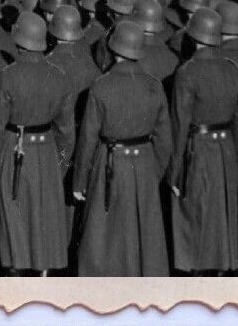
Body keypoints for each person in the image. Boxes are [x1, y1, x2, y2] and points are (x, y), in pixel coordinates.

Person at [72, 20, 173, 275]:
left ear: (113, 46)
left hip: (110, 162)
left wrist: (80, 182)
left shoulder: (101, 86)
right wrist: (153, 172)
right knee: (143, 238)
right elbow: (164, 140)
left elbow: (87, 139)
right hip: (145, 162)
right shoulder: (154, 85)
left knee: (103, 236)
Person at [0, 11, 75, 275]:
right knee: (41, 230)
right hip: (46, 154)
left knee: (14, 229)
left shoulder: (7, 76)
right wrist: (58, 167)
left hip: (13, 152)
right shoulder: (60, 76)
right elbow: (67, 133)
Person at [168, 7, 238, 274]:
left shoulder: (187, 72)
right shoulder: (233, 70)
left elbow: (180, 125)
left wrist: (174, 174)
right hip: (227, 149)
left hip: (199, 150)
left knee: (195, 217)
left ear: (193, 37)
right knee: (222, 216)